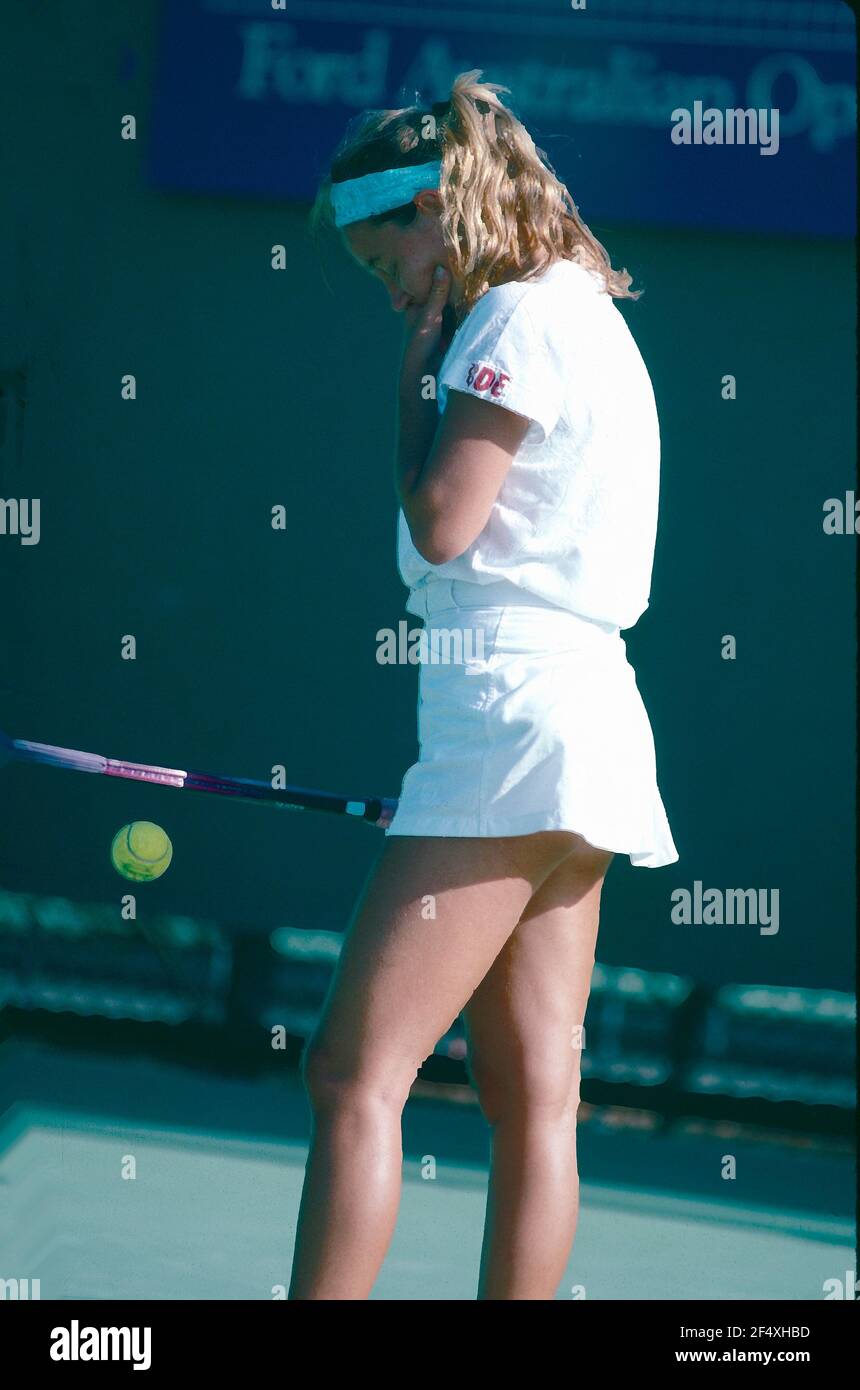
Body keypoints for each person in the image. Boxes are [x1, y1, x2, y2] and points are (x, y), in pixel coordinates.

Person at [290, 69, 678, 1300]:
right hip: (589, 746)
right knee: (534, 1105)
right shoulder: (589, 318)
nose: (390, 287)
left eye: (384, 260)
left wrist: (416, 362)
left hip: (509, 730)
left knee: (354, 1078)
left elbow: (445, 524)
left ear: (435, 211)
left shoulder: (504, 321)